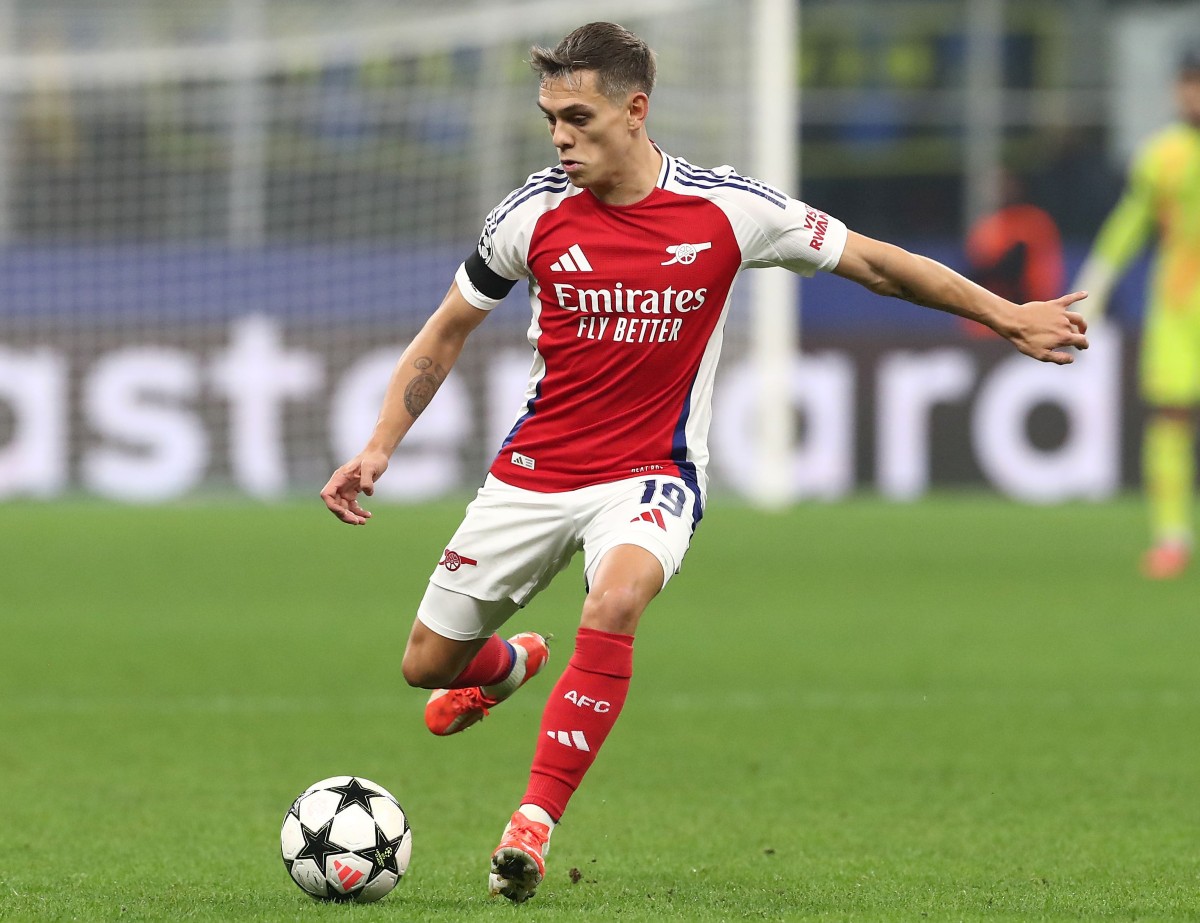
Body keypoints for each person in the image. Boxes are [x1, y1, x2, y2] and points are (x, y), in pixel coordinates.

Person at [320, 21, 1088, 904]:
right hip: (533, 472)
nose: (561, 137)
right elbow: (448, 328)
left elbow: (877, 264)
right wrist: (378, 446)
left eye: (578, 116)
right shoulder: (529, 214)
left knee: (615, 599)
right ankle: (510, 665)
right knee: (426, 663)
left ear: (635, 110)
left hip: (651, 475)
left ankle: (530, 824)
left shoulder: (728, 208)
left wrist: (1007, 315)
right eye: (550, 120)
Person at [1074, 45, 1200, 580]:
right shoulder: (1162, 154)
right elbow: (1132, 222)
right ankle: (1172, 537)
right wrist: (1095, 285)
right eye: (1190, 81)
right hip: (1179, 305)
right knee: (1170, 416)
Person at [960, 167, 1065, 338]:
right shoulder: (986, 227)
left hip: (1029, 320)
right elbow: (974, 273)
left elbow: (1019, 270)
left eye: (1006, 185)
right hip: (987, 326)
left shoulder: (1034, 221)